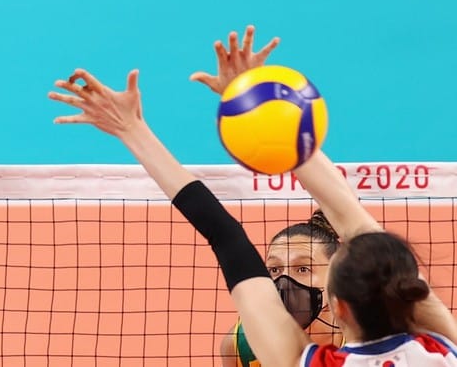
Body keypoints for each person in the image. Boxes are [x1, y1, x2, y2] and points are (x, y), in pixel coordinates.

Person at [49, 29, 457, 367]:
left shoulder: (305, 362)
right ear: (411, 290)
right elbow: (352, 218)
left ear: (339, 307)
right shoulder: (444, 350)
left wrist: (131, 129)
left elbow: (224, 234)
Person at [219, 210, 341, 367]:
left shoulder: (365, 336)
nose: (285, 280)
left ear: (335, 275)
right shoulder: (239, 344)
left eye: (303, 269)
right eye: (275, 269)